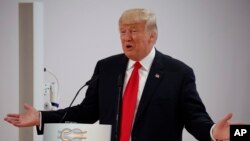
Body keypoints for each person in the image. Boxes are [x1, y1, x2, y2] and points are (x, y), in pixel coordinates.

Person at [5, 8, 234, 141]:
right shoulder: (107, 67)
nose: (126, 37)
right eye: (123, 31)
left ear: (152, 36)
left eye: (134, 31)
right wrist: (42, 118)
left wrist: (216, 132)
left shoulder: (178, 73)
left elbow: (195, 119)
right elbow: (87, 112)